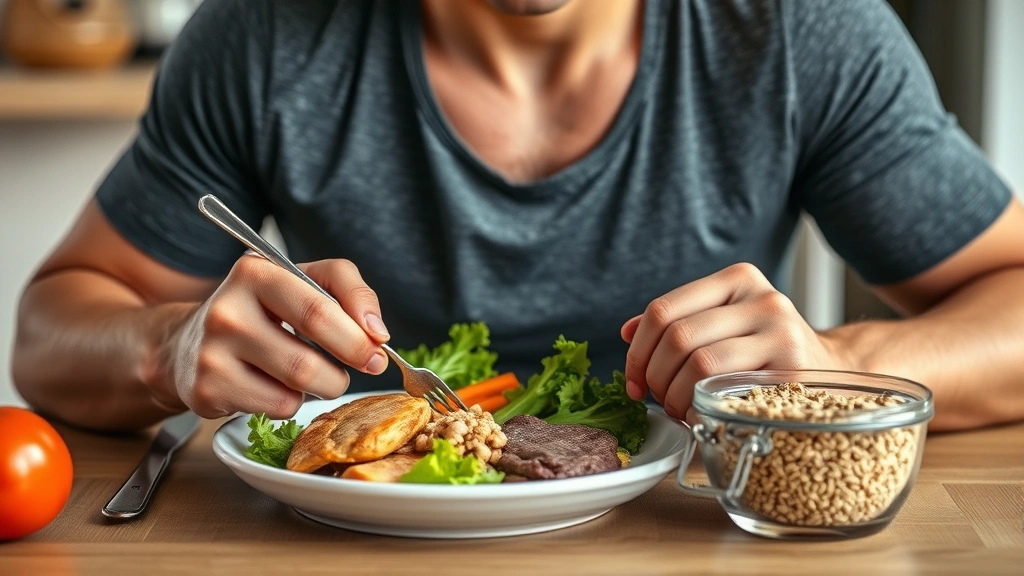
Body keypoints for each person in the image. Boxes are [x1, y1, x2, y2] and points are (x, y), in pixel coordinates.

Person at [12, 0, 1024, 432]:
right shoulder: (270, 33)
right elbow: (52, 328)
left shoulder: (799, 31)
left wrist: (836, 371)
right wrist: (165, 349)